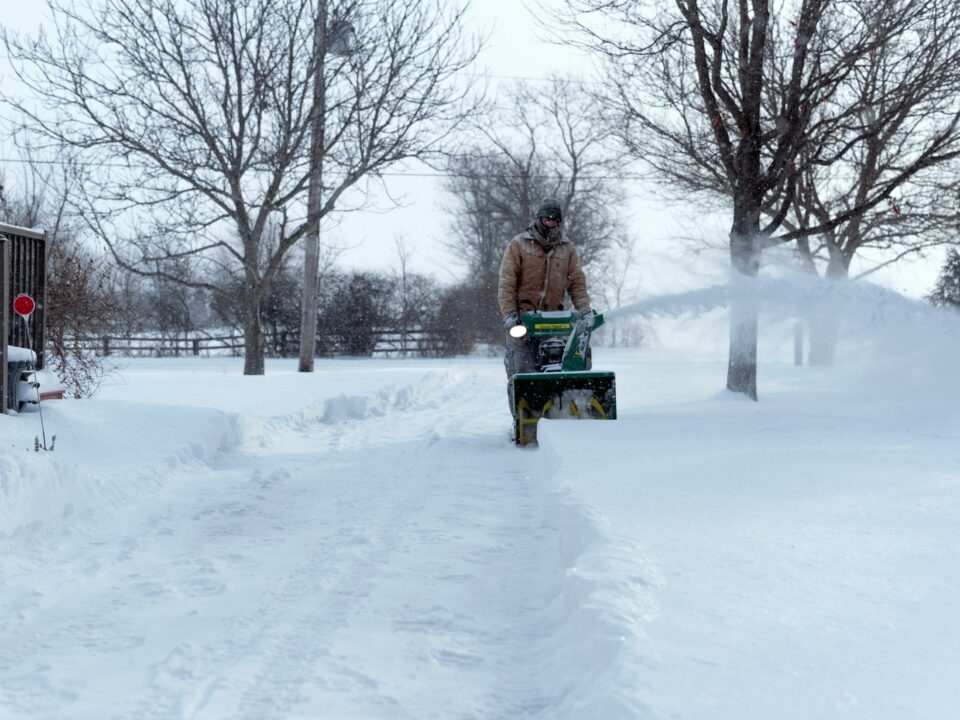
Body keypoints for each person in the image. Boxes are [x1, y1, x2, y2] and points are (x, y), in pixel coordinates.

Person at [497, 196, 593, 382]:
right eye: (547, 219)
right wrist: (509, 315)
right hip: (523, 321)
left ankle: (576, 393)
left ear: (559, 223)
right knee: (521, 368)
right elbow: (507, 283)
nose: (550, 224)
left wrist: (584, 310)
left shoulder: (567, 249)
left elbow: (577, 283)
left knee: (578, 353)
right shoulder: (519, 244)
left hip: (555, 321)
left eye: (554, 220)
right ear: (539, 219)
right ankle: (526, 403)